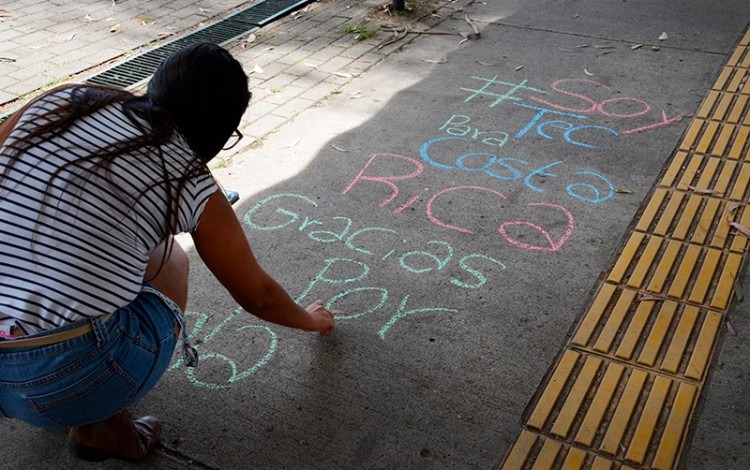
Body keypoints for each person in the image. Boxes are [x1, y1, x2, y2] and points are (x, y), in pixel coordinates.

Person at [0, 42, 335, 462]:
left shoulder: (66, 100)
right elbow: (258, 295)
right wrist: (309, 319)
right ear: (221, 132)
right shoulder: (189, 180)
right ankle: (104, 426)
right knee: (168, 255)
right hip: (65, 381)